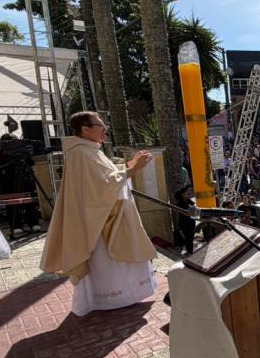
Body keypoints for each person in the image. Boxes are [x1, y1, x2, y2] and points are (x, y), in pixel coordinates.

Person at [40, 111, 157, 316]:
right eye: (100, 125)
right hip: (100, 222)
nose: (105, 129)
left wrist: (127, 167)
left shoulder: (91, 150)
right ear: (85, 129)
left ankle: (127, 295)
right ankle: (112, 299)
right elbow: (100, 186)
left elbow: (104, 177)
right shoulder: (80, 153)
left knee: (121, 258)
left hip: (110, 215)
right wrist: (132, 170)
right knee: (108, 263)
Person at [173, 185, 197, 255]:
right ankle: (189, 252)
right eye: (187, 193)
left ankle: (189, 252)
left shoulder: (189, 201)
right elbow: (183, 213)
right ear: (182, 194)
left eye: (189, 193)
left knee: (190, 239)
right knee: (187, 239)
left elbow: (194, 209)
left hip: (191, 222)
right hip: (184, 224)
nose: (189, 195)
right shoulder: (180, 203)